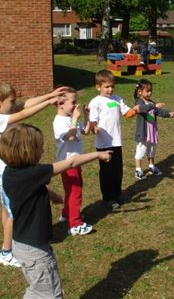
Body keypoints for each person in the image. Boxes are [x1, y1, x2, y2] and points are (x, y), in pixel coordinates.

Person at [0, 123, 112, 298]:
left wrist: (55, 197)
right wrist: (98, 154)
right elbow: (71, 162)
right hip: (36, 250)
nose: (43, 151)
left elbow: (33, 190)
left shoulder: (9, 173)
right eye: (39, 148)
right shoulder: (34, 173)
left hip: (21, 244)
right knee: (51, 294)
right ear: (26, 152)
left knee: (37, 290)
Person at [0, 82, 64, 267]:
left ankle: (9, 242)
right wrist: (49, 102)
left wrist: (49, 95)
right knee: (13, 213)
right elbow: (23, 114)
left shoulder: (4, 113)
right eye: (12, 101)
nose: (15, 104)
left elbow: (26, 105)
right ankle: (6, 253)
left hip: (7, 172)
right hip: (7, 172)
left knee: (7, 209)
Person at [88, 69, 139, 209]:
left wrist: (135, 110)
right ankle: (107, 197)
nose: (110, 89)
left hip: (116, 142)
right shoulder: (95, 102)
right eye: (107, 87)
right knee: (106, 172)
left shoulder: (117, 99)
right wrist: (94, 128)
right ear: (98, 87)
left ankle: (117, 194)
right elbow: (92, 122)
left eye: (112, 86)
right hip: (103, 144)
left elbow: (127, 113)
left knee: (117, 170)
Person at [53, 86, 95, 236]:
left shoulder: (71, 118)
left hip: (75, 162)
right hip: (67, 164)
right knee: (75, 192)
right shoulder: (59, 122)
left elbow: (85, 131)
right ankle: (75, 224)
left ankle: (66, 214)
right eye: (73, 102)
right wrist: (75, 119)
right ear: (60, 104)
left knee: (72, 190)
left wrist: (85, 116)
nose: (76, 105)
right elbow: (70, 137)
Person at [133, 79, 174, 180]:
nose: (150, 93)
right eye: (147, 91)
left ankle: (151, 166)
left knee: (152, 150)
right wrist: (154, 105)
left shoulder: (151, 102)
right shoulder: (139, 102)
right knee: (141, 150)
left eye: (150, 90)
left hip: (152, 131)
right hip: (143, 132)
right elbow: (142, 109)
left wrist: (168, 113)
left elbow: (158, 111)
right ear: (140, 92)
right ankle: (138, 170)